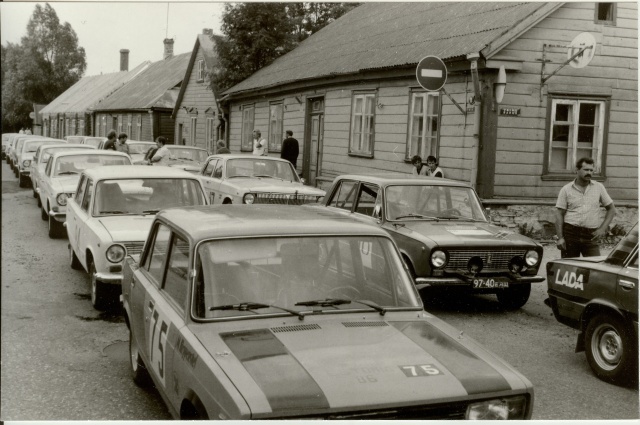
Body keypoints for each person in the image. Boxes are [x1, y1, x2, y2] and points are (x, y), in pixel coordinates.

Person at [555, 157, 616, 258]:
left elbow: (611, 209)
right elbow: (559, 214)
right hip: (570, 233)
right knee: (569, 266)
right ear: (577, 170)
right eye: (586, 170)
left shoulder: (599, 187)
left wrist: (602, 229)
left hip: (590, 235)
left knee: (594, 267)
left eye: (591, 170)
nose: (589, 173)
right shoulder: (566, 189)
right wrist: (560, 238)